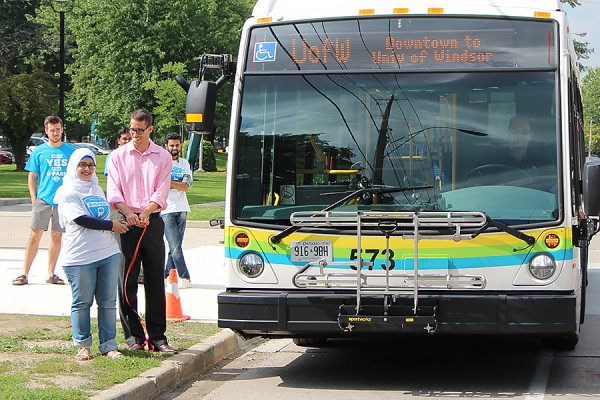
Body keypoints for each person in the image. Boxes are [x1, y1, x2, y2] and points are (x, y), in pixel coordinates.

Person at [106, 109, 177, 353]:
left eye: (138, 130)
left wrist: (146, 213)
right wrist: (128, 213)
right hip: (126, 221)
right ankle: (134, 337)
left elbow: (161, 191)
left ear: (150, 129)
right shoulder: (117, 156)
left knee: (155, 279)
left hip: (151, 220)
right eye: (131, 129)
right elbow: (113, 191)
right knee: (126, 280)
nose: (133, 134)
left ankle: (158, 337)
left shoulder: (163, 157)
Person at [54, 148, 129, 361]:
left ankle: (109, 345)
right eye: (82, 165)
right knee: (82, 302)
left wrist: (116, 224)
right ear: (74, 167)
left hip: (107, 253)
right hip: (79, 256)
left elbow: (102, 215)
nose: (87, 169)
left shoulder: (97, 189)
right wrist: (111, 225)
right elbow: (81, 220)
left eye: (90, 165)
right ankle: (83, 345)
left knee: (107, 302)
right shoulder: (67, 191)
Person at [12, 116, 76, 286]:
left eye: (58, 129)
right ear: (46, 131)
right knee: (35, 235)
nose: (55, 132)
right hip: (44, 198)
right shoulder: (39, 151)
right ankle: (24, 273)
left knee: (57, 237)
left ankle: (51, 273)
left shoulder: (71, 151)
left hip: (63, 201)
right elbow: (32, 176)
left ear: (62, 129)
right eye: (51, 130)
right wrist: (34, 198)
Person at [162, 133, 193, 288]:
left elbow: (186, 186)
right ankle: (184, 276)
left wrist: (171, 183)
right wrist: (177, 183)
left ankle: (167, 275)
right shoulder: (161, 163)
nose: (174, 148)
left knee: (176, 246)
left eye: (177, 145)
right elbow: (160, 185)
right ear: (166, 146)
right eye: (171, 145)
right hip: (166, 210)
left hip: (182, 209)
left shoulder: (185, 164)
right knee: (175, 247)